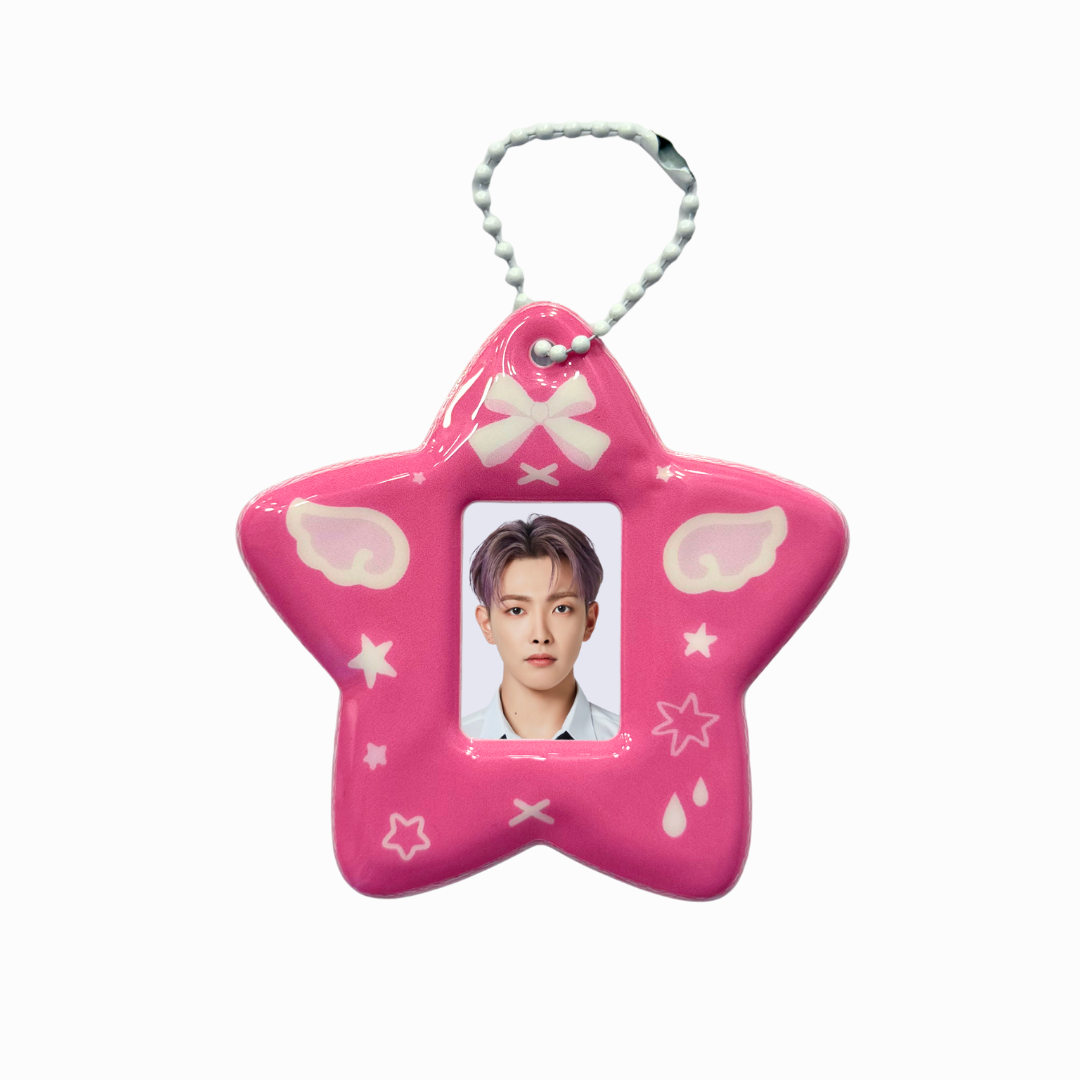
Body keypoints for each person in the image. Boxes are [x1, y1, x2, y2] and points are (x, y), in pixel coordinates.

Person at [462, 514, 619, 740]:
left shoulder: (635, 747)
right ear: (486, 625)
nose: (540, 635)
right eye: (516, 610)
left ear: (589, 621)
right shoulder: (444, 750)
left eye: (561, 608)